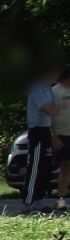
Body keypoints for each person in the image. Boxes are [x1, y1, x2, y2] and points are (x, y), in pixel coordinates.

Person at [23, 65, 61, 214]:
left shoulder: (48, 89)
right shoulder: (37, 87)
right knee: (35, 167)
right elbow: (51, 109)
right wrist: (57, 109)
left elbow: (54, 111)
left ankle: (40, 203)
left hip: (45, 131)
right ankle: (28, 203)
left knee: (46, 168)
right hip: (37, 132)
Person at [51, 68, 70, 210]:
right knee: (65, 166)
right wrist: (54, 136)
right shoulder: (54, 92)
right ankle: (61, 198)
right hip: (61, 135)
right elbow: (48, 115)